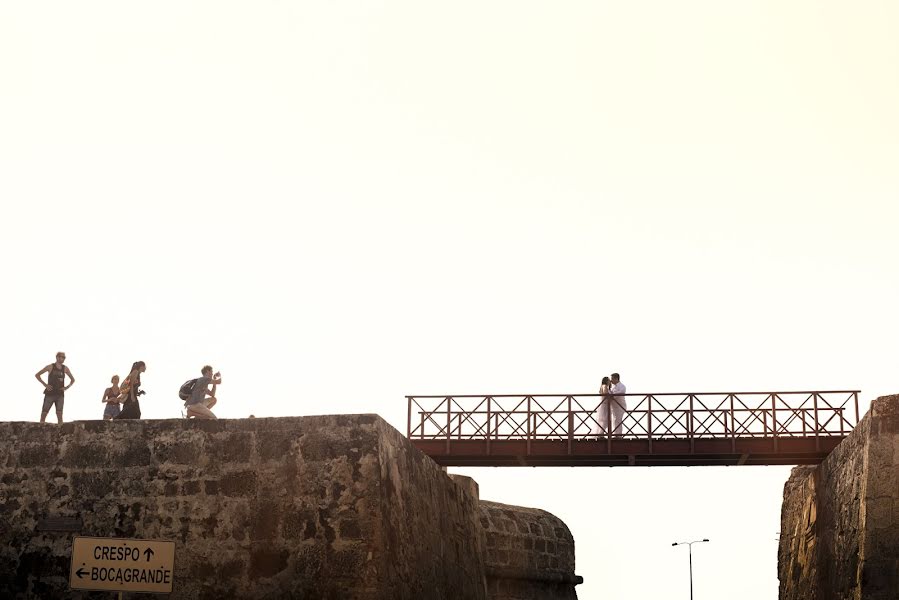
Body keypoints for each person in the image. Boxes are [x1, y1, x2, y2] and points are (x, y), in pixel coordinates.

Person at [35, 352, 75, 424]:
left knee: (59, 414)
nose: (63, 359)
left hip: (60, 394)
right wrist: (45, 385)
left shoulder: (65, 368)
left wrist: (66, 387)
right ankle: (41, 429)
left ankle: (60, 432)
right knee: (44, 413)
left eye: (64, 357)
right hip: (50, 393)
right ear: (57, 357)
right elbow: (37, 375)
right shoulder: (50, 366)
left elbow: (73, 380)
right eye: (61, 357)